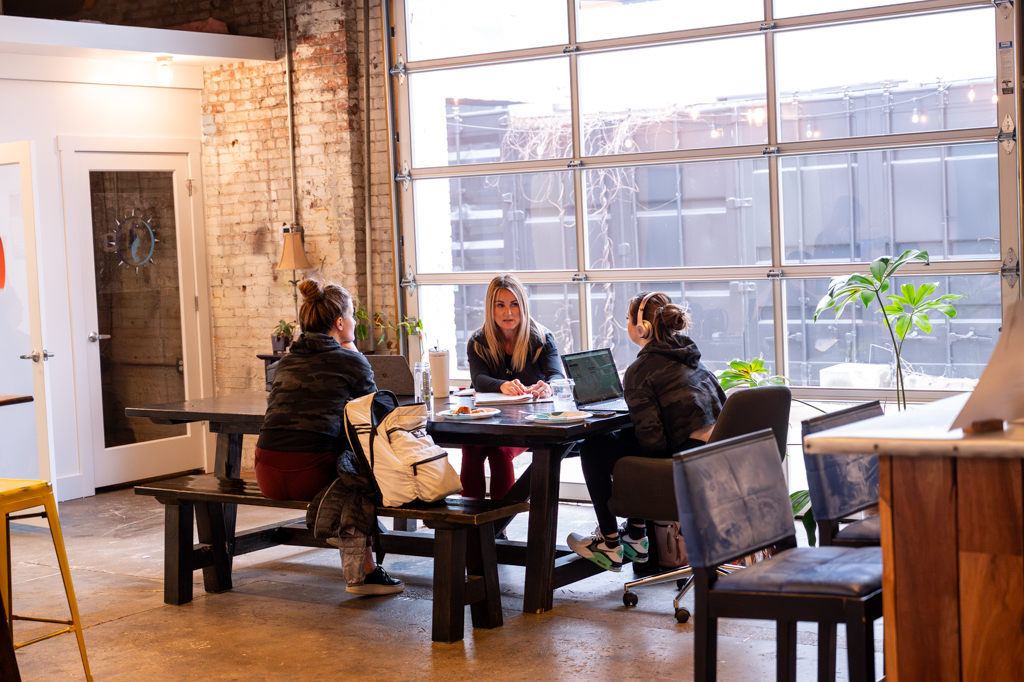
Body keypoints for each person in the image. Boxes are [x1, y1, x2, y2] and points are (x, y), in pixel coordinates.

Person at [256, 278, 404, 595]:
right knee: (361, 470)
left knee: (345, 458)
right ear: (339, 322)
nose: (354, 322)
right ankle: (363, 571)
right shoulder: (350, 361)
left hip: (265, 473)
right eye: (351, 316)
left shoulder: (284, 363)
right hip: (309, 476)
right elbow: (377, 417)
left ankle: (354, 550)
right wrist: (354, 354)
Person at [567, 291, 727, 572]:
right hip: (714, 465)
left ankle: (610, 542)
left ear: (642, 327)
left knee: (593, 447)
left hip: (681, 474)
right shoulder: (690, 356)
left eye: (628, 319)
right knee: (629, 434)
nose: (627, 324)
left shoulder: (641, 370)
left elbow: (654, 446)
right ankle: (636, 536)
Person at [462, 274, 565, 500]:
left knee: (499, 451)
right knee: (471, 447)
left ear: (523, 306)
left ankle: (501, 520)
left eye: (514, 304)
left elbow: (556, 376)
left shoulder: (542, 338)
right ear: (491, 308)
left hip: (528, 422)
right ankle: (471, 518)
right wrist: (503, 386)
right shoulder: (478, 341)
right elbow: (478, 379)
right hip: (488, 419)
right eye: (500, 305)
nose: (508, 312)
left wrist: (547, 387)